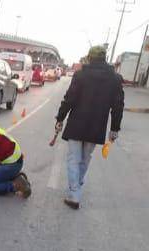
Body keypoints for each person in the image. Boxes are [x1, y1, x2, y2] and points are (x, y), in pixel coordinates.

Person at [55, 46, 124, 209]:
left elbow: (69, 99)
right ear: (105, 58)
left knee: (73, 159)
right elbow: (118, 106)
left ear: (90, 58)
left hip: (77, 124)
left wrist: (60, 118)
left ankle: (74, 194)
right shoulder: (115, 79)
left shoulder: (81, 75)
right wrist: (114, 128)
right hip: (96, 125)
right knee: (85, 158)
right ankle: (76, 186)